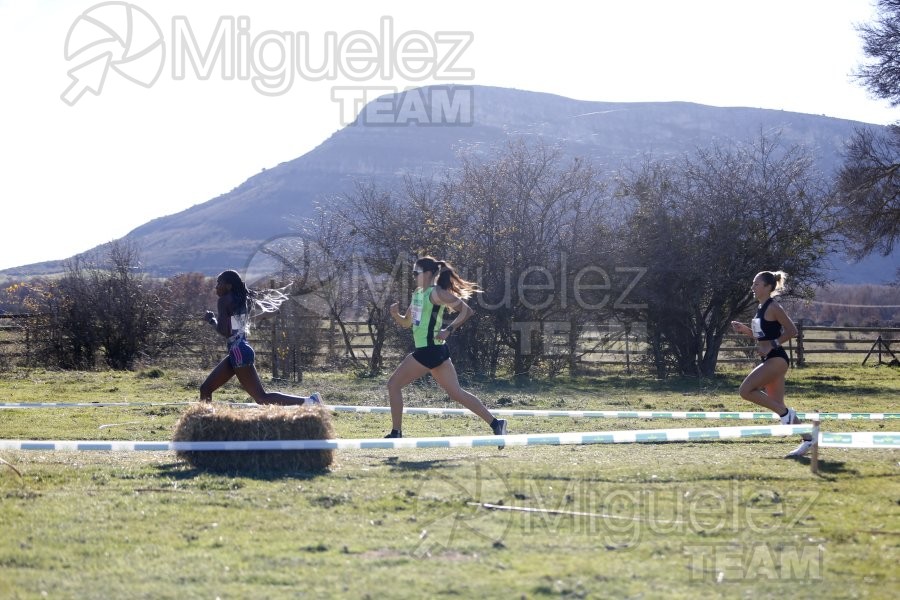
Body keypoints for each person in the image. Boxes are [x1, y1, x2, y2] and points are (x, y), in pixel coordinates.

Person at [384, 257, 507, 438]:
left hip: (430, 350)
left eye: (415, 273)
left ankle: (396, 432)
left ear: (427, 274)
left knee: (393, 385)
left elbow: (467, 310)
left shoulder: (437, 293)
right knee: (456, 393)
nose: (413, 276)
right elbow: (406, 323)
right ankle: (497, 424)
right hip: (435, 350)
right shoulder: (418, 293)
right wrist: (396, 315)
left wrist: (449, 329)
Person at [199, 270, 321, 406]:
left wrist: (211, 320)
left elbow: (225, 332)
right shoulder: (243, 299)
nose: (216, 287)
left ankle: (310, 401)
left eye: (219, 283)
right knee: (205, 389)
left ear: (228, 286)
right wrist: (265, 315)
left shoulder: (224, 301)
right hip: (240, 351)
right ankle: (205, 421)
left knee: (261, 398)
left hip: (238, 353)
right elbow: (237, 326)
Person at [730, 271, 812, 458]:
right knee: (777, 404)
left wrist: (771, 347)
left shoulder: (774, 306)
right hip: (770, 358)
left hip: (777, 359)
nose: (753, 287)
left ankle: (786, 414)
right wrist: (745, 330)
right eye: (753, 283)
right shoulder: (760, 307)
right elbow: (762, 338)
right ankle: (809, 439)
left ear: (768, 287)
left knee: (745, 391)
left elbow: (792, 330)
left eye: (756, 284)